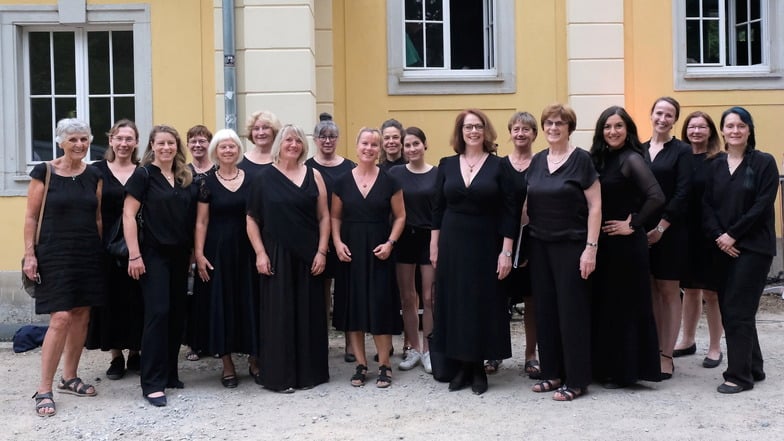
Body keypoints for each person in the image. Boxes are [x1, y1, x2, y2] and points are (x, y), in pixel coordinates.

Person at [429, 109, 516, 396]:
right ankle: (461, 365)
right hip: (452, 244)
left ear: (486, 131)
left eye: (478, 126)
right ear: (460, 132)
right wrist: (434, 245)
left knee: (482, 302)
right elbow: (438, 208)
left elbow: (509, 211)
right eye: (468, 127)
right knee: (454, 303)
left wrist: (506, 252)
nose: (474, 131)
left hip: (486, 243)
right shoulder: (447, 164)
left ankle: (478, 367)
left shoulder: (499, 166)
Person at [25, 118, 105, 416]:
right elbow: (31, 218)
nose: (80, 145)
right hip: (53, 252)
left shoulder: (94, 174)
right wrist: (30, 254)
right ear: (60, 141)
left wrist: (97, 250)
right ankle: (44, 388)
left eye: (84, 139)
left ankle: (69, 376)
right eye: (73, 140)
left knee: (82, 314)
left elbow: (97, 217)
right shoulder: (44, 172)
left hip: (85, 252)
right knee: (60, 317)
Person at [246, 124, 331, 392]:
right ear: (279, 145)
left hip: (309, 255)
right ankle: (280, 376)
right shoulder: (262, 177)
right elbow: (251, 219)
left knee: (309, 313)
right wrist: (260, 253)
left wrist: (321, 251)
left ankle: (309, 374)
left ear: (303, 145)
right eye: (287, 140)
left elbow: (324, 216)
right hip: (276, 254)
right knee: (278, 315)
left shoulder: (314, 175)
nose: (292, 144)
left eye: (297, 140)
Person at [525, 103, 600, 401]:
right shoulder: (537, 161)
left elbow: (595, 206)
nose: (553, 128)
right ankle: (552, 373)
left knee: (572, 313)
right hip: (540, 245)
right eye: (549, 123)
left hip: (572, 246)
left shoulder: (581, 160)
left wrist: (590, 249)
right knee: (545, 311)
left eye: (560, 123)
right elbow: (527, 205)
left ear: (570, 127)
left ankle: (578, 379)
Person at [703, 107, 777, 394]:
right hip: (722, 247)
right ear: (722, 131)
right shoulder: (714, 166)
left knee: (737, 312)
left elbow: (762, 205)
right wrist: (720, 237)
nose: (735, 131)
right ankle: (753, 367)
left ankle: (739, 376)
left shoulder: (764, 163)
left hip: (754, 248)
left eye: (741, 125)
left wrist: (734, 235)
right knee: (735, 309)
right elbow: (706, 205)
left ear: (749, 130)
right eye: (729, 126)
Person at [589, 106, 665, 388]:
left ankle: (626, 372)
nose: (613, 131)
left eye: (618, 126)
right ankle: (604, 368)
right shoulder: (598, 159)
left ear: (628, 130)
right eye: (607, 127)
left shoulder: (631, 158)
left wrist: (633, 224)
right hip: (604, 245)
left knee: (625, 309)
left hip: (626, 247)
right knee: (605, 307)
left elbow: (656, 196)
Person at [124, 125, 198, 407]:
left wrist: (192, 251)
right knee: (158, 313)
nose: (166, 148)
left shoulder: (182, 177)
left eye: (171, 143)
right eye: (161, 143)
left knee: (176, 314)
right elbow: (129, 215)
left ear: (177, 146)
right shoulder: (142, 175)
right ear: (152, 146)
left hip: (180, 255)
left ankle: (169, 374)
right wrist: (134, 255)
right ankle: (152, 382)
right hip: (152, 254)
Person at [331, 128, 405, 388]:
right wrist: (337, 242)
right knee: (354, 307)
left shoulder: (390, 181)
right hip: (350, 252)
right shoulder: (341, 181)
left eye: (375, 144)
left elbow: (400, 216)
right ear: (357, 145)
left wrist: (390, 243)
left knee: (381, 305)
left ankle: (384, 364)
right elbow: (335, 216)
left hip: (379, 252)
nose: (369, 148)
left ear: (380, 149)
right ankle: (361, 364)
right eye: (365, 143)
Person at [192, 129, 258, 388]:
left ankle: (255, 359)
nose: (228, 150)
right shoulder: (206, 182)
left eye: (232, 146)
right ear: (215, 152)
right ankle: (227, 365)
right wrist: (198, 254)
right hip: (217, 250)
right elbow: (201, 221)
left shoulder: (252, 180)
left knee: (250, 301)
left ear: (238, 150)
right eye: (223, 147)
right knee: (222, 304)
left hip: (247, 249)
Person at [85, 119, 143, 381]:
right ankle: (116, 356)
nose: (124, 143)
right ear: (110, 141)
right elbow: (90, 209)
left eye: (129, 138)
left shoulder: (144, 170)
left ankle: (135, 351)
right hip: (105, 246)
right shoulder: (96, 170)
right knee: (110, 302)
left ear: (136, 142)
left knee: (136, 299)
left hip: (137, 246)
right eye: (119, 138)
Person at [485, 111, 539, 378]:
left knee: (532, 300)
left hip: (533, 240)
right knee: (498, 299)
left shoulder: (541, 163)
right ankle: (494, 352)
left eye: (526, 129)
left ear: (534, 134)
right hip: (501, 241)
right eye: (516, 129)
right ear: (510, 133)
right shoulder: (499, 165)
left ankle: (531, 355)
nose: (520, 134)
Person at [642, 97, 692, 380]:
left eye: (669, 114)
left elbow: (683, 193)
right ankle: (652, 347)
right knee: (649, 290)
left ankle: (666, 355)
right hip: (641, 232)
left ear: (674, 120)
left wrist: (660, 228)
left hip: (670, 231)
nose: (663, 118)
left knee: (669, 291)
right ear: (651, 115)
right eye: (659, 112)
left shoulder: (681, 151)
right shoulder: (638, 148)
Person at [305, 113, 357, 363]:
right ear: (315, 139)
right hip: (317, 238)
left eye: (332, 136)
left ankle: (350, 343)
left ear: (338, 139)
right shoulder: (306, 168)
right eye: (322, 136)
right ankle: (322, 341)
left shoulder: (349, 167)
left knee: (346, 289)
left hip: (347, 236)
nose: (327, 140)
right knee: (321, 289)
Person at [674, 111, 724, 368]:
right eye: (691, 127)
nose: (696, 131)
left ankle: (715, 347)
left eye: (702, 127)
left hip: (709, 233)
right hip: (684, 232)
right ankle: (687, 340)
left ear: (711, 132)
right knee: (689, 290)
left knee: (712, 293)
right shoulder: (681, 156)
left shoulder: (719, 159)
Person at [387, 126, 437, 373]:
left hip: (429, 238)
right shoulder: (395, 173)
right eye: (407, 145)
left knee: (428, 297)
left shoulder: (438, 174)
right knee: (407, 297)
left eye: (416, 144)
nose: (412, 149)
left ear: (425, 145)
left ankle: (429, 349)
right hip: (404, 237)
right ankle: (413, 348)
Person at [184, 124, 215, 363]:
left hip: (214, 238)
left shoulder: (218, 170)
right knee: (192, 293)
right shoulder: (182, 172)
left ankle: (214, 340)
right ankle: (194, 342)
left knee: (212, 291)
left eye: (202, 141)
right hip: (187, 237)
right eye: (193, 141)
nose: (197, 145)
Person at [239, 110, 281, 178]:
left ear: (274, 131)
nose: (261, 133)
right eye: (256, 129)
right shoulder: (240, 161)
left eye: (265, 128)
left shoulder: (284, 160)